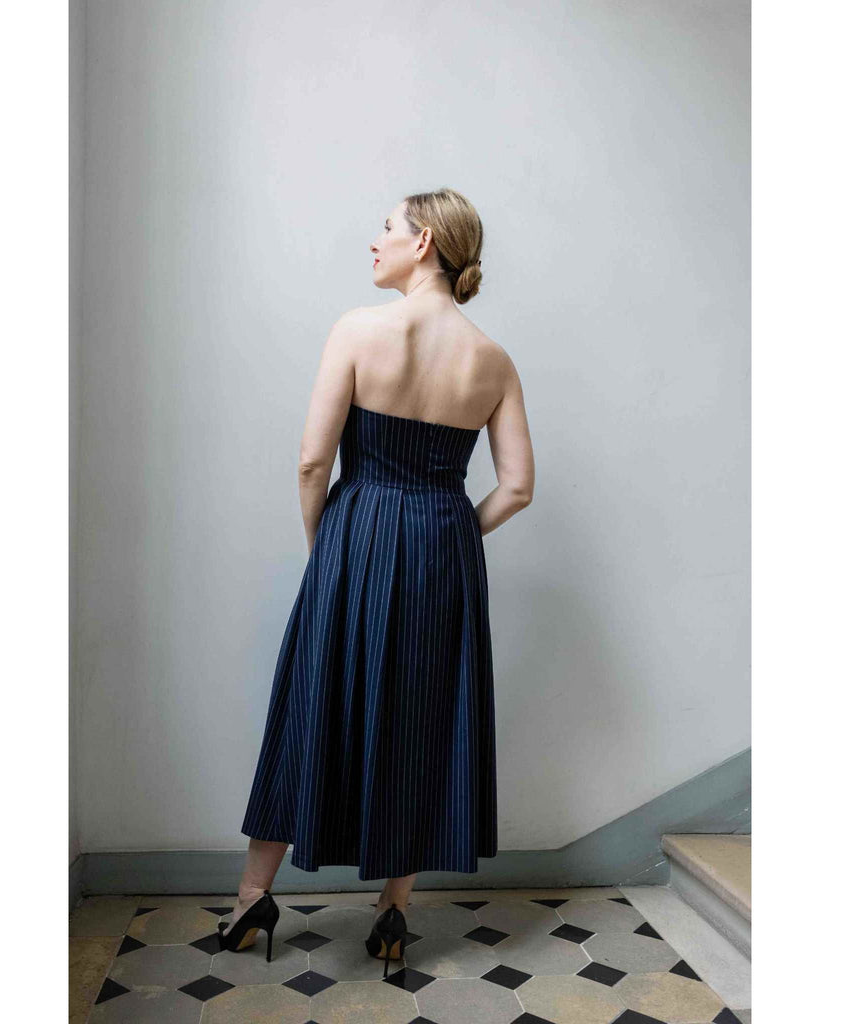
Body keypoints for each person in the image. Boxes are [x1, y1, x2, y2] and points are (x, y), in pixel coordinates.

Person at [218, 188, 535, 974]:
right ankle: (394, 910)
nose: (374, 241)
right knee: (421, 718)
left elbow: (312, 461)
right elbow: (518, 487)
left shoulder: (359, 330)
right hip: (442, 545)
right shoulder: (493, 360)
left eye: (386, 228)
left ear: (423, 242)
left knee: (311, 702)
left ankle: (253, 897)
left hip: (356, 532)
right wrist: (453, 533)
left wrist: (326, 545)